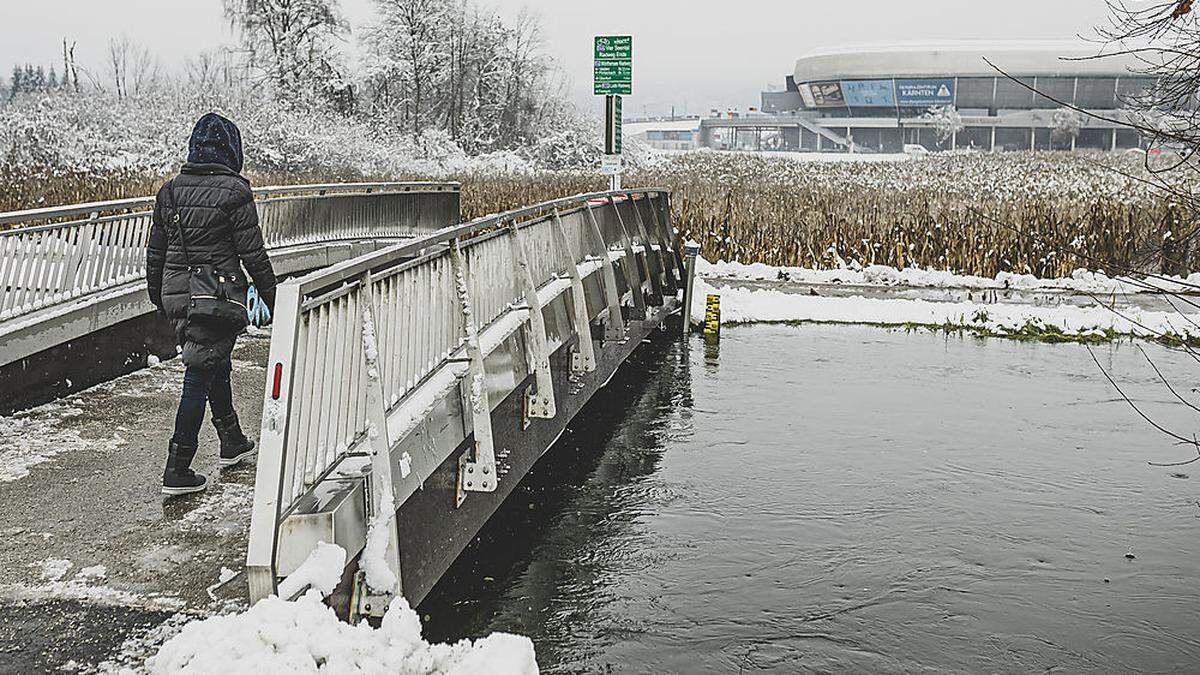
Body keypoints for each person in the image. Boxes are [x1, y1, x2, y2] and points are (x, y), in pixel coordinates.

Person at [146, 113, 277, 496]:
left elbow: (156, 252)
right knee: (199, 373)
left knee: (211, 360)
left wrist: (160, 296)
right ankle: (178, 466)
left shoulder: (169, 191)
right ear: (232, 151)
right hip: (215, 296)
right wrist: (277, 300)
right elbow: (254, 256)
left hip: (179, 293)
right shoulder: (235, 192)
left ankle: (231, 440)